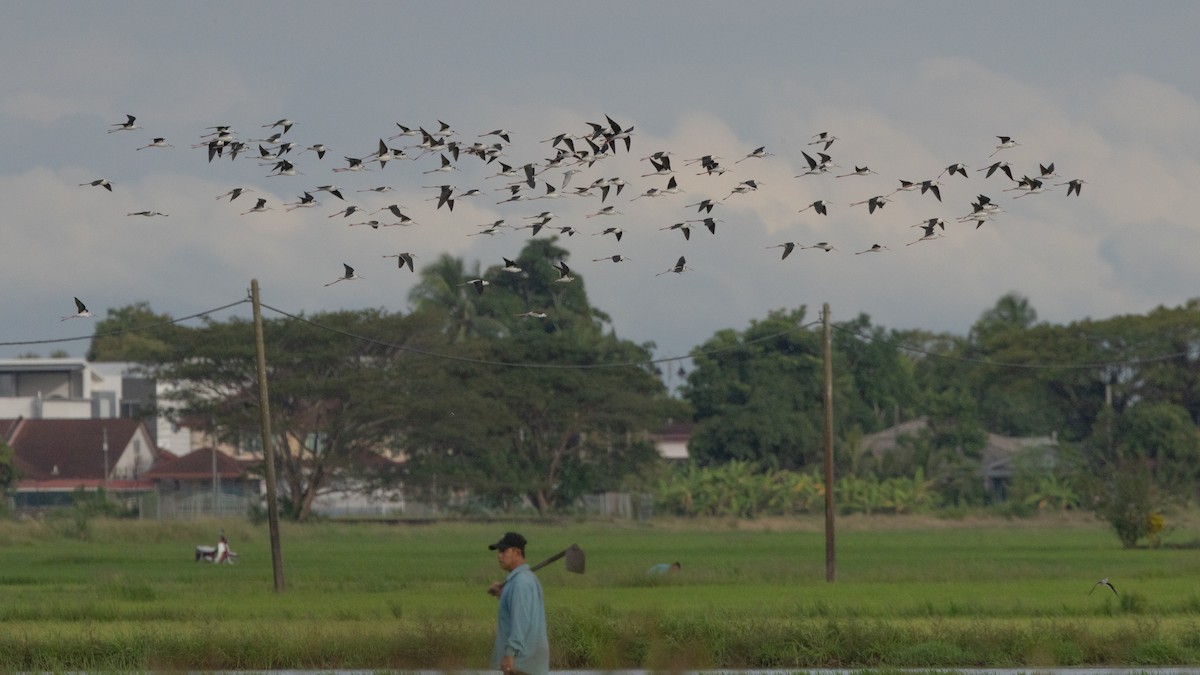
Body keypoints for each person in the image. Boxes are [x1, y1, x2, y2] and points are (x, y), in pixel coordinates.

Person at [488, 532, 549, 675]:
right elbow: (517, 606)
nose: (499, 555)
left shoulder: (521, 583)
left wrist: (510, 653)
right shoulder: (519, 580)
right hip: (525, 662)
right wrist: (501, 593)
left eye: (503, 551)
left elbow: (521, 621)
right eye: (499, 551)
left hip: (522, 661)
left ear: (517, 552)